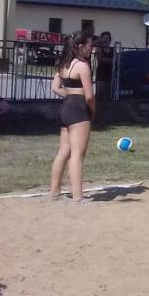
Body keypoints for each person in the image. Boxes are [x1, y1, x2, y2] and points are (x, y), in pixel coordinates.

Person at [49, 32, 96, 202]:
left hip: (65, 108)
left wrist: (69, 95)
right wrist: (93, 111)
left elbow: (55, 87)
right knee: (77, 154)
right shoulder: (82, 66)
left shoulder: (63, 64)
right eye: (90, 45)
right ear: (81, 46)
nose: (91, 49)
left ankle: (54, 192)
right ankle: (78, 197)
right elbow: (89, 96)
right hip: (78, 111)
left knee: (63, 152)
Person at [94, 31, 114, 100]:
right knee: (99, 95)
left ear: (110, 40)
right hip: (101, 76)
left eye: (107, 38)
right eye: (104, 38)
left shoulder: (113, 50)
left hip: (111, 75)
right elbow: (100, 60)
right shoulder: (99, 49)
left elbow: (117, 60)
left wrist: (107, 60)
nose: (106, 40)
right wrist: (111, 61)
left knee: (109, 95)